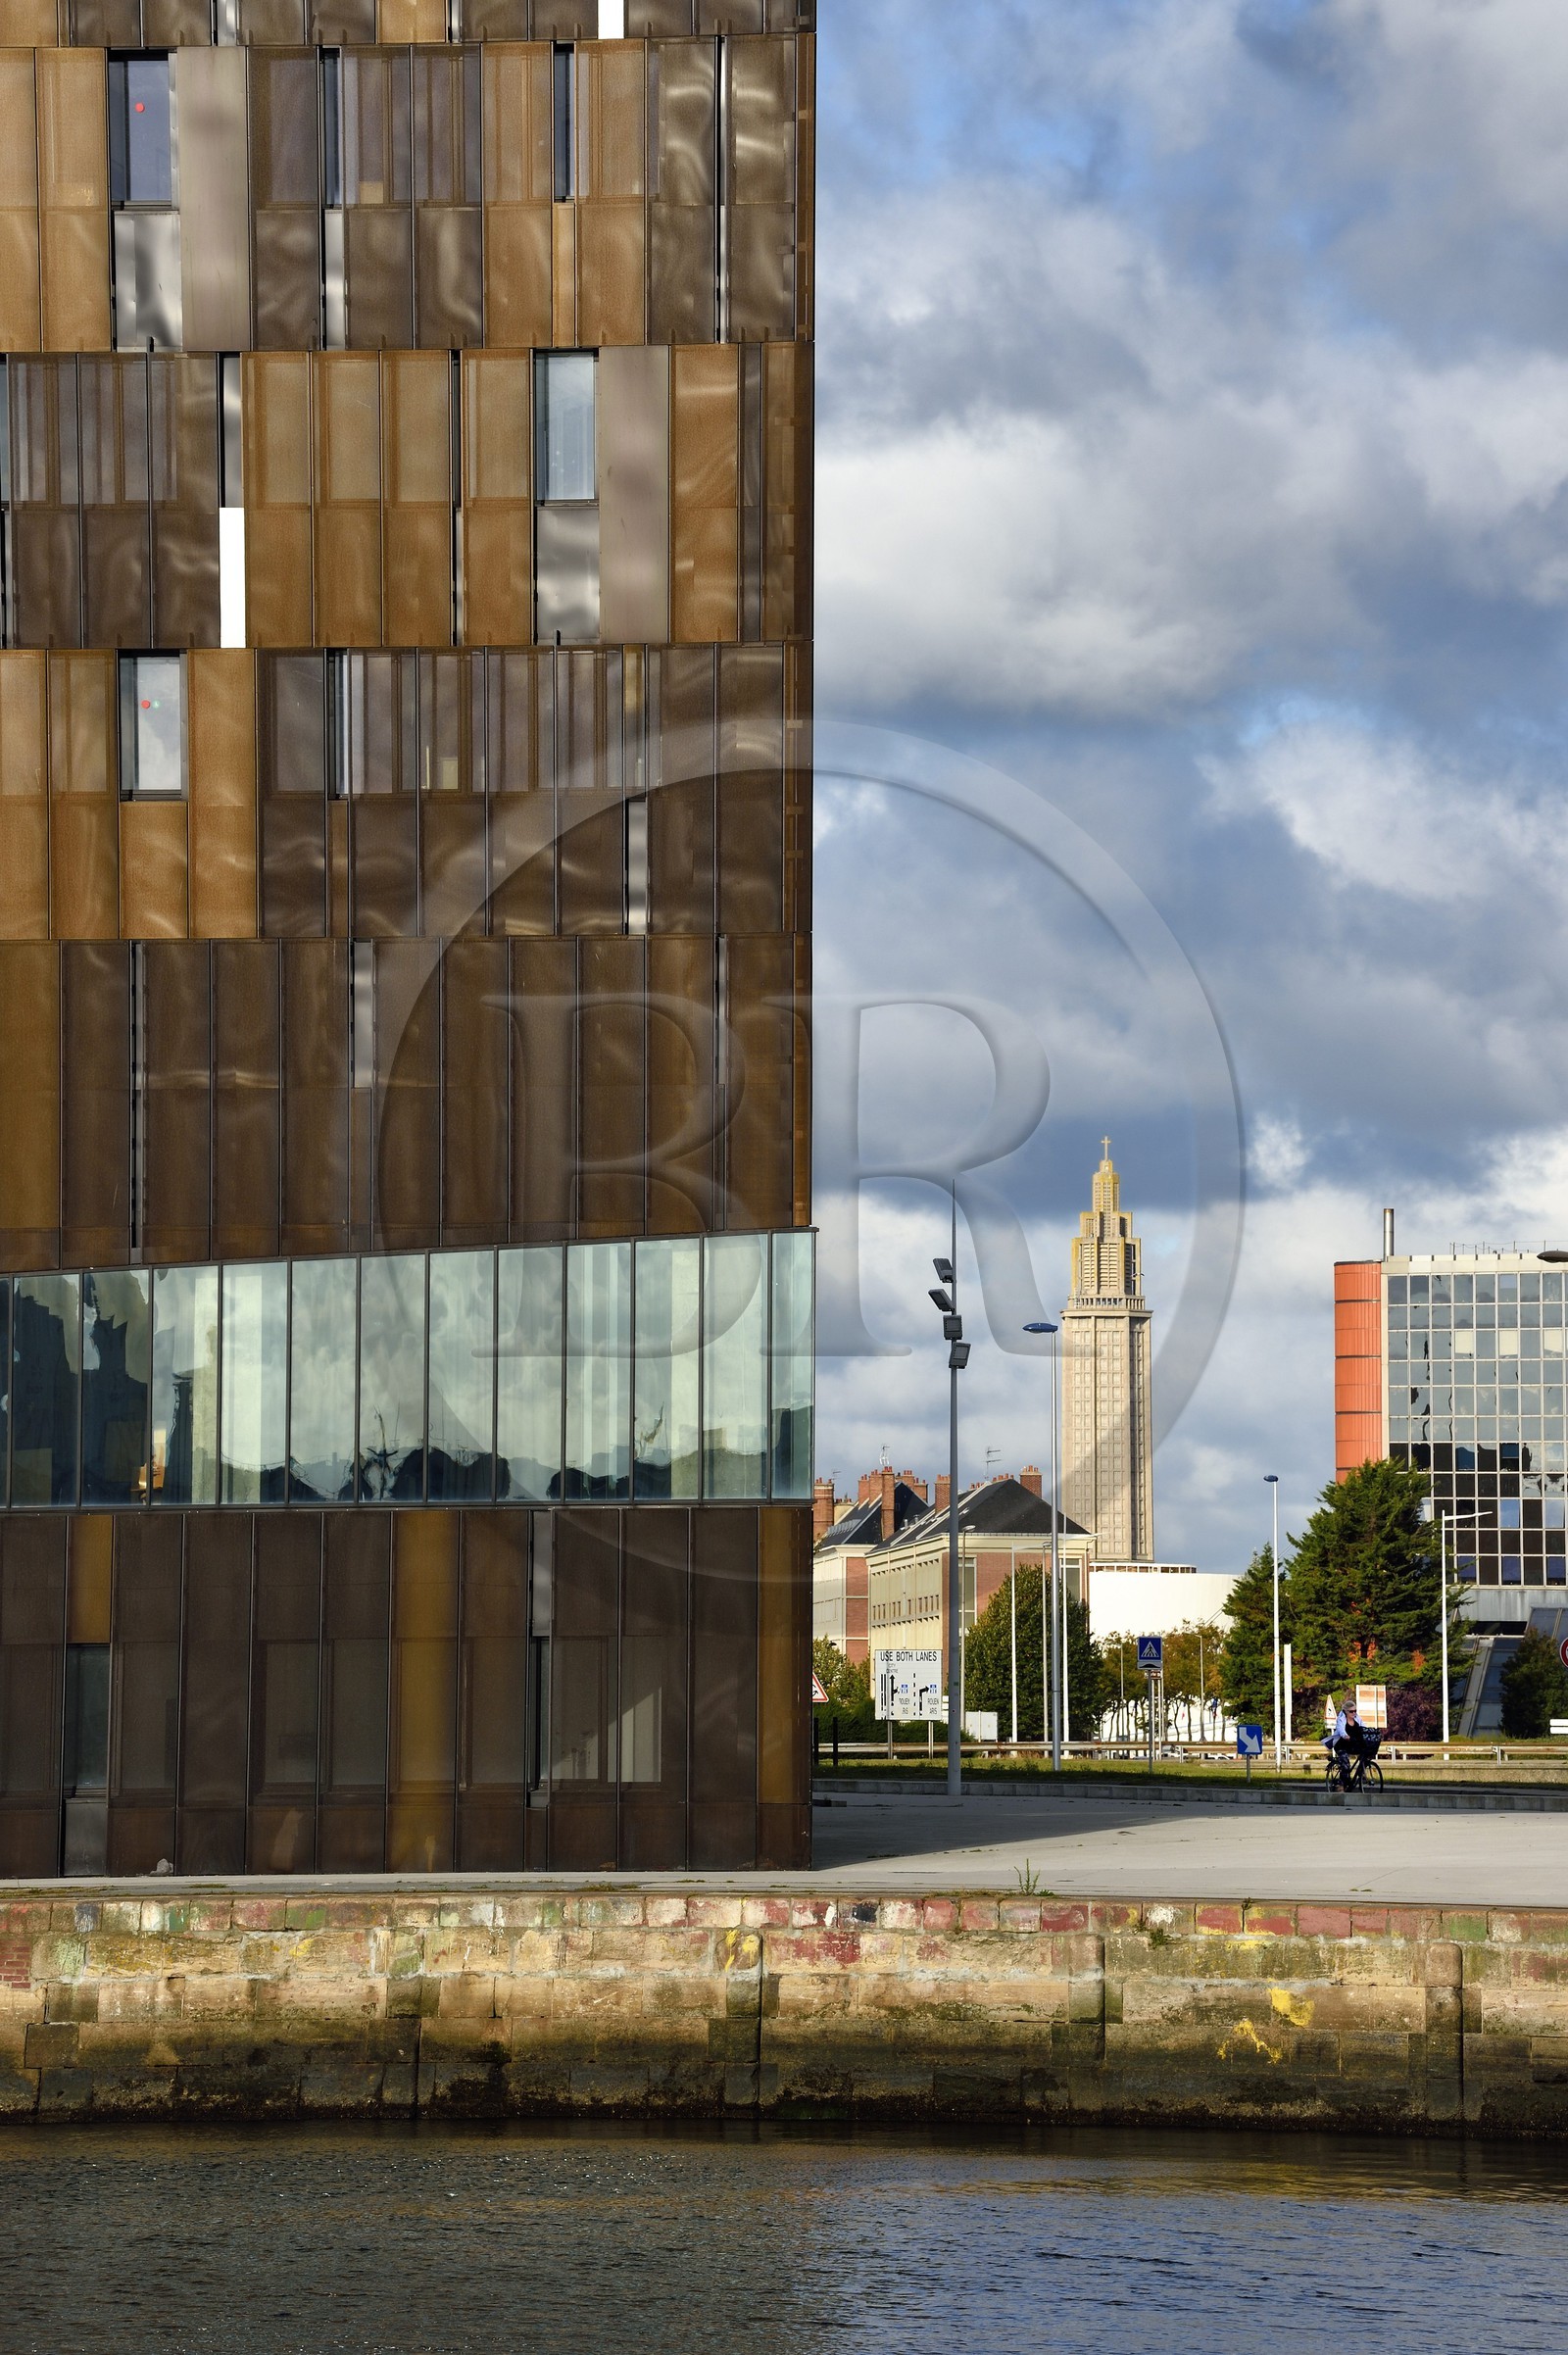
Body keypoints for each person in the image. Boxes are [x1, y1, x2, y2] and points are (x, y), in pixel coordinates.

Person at [1331, 1695, 1371, 1781]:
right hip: (1341, 1744)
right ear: (1346, 1712)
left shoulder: (1357, 1719)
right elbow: (1341, 1730)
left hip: (1352, 1743)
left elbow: (1363, 1728)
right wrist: (1345, 1736)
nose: (1354, 1713)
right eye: (1351, 1711)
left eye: (1355, 1711)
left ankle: (1361, 1772)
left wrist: (1369, 1734)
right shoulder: (1341, 1719)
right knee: (1346, 1765)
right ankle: (1342, 1783)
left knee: (1366, 1754)